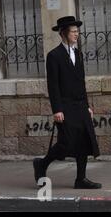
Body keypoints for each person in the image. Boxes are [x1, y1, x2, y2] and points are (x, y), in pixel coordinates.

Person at [33, 16, 101, 189]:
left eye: (77, 31)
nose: (77, 34)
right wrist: (57, 109)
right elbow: (53, 85)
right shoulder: (54, 56)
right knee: (67, 143)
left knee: (84, 141)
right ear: (63, 33)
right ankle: (42, 164)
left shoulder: (78, 54)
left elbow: (81, 82)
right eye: (73, 31)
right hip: (64, 106)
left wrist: (87, 105)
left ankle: (81, 179)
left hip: (79, 105)